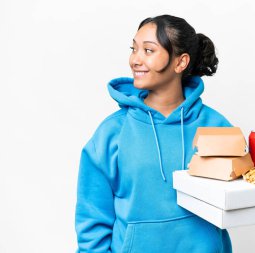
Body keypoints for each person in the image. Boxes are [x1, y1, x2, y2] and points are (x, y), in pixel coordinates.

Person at [75, 14, 233, 252]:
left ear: (180, 63)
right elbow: (92, 220)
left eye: (148, 50)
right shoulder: (112, 133)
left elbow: (238, 196)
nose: (135, 60)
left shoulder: (217, 127)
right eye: (133, 49)